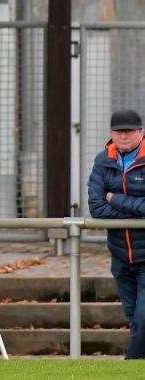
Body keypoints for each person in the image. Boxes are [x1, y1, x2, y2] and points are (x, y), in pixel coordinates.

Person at [88, 109, 145, 359]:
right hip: (120, 256)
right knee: (135, 320)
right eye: (119, 131)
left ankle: (130, 365)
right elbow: (97, 208)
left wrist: (117, 199)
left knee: (143, 322)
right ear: (111, 133)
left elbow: (107, 203)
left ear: (141, 133)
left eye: (129, 131)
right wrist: (136, 212)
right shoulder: (103, 160)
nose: (123, 136)